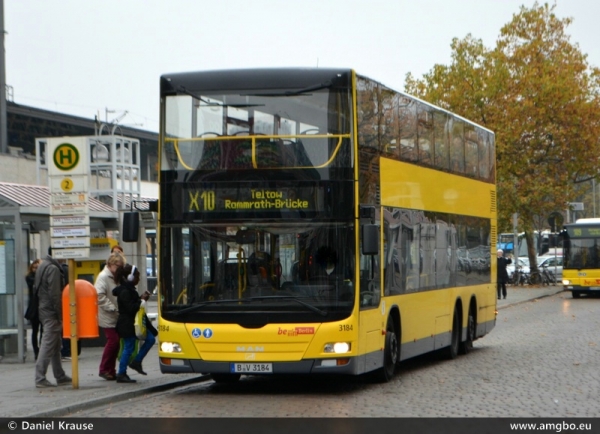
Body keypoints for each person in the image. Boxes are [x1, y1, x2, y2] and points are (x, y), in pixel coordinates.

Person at [112, 264, 156, 383]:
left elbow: (133, 304)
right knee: (128, 347)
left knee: (151, 339)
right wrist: (142, 300)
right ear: (130, 277)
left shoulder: (129, 290)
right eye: (137, 276)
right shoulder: (125, 291)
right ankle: (121, 373)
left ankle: (136, 362)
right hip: (127, 325)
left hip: (133, 324)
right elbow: (131, 308)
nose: (139, 279)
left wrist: (141, 298)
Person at [34, 248, 71, 388]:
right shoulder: (53, 269)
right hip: (51, 311)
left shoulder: (43, 265)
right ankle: (40, 377)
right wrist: (61, 314)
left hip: (43, 308)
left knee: (55, 344)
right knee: (48, 343)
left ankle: (59, 374)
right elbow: (55, 294)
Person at [95, 252, 126, 381]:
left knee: (116, 343)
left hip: (116, 315)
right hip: (108, 315)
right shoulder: (103, 277)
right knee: (113, 341)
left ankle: (111, 370)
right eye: (118, 266)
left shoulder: (116, 276)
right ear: (110, 264)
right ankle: (104, 369)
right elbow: (99, 295)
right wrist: (111, 307)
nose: (120, 269)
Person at [25, 259, 43, 360]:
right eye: (34, 268)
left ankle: (42, 350)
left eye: (38, 268)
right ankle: (36, 351)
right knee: (35, 330)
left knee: (43, 330)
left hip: (42, 307)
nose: (36, 270)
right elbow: (34, 283)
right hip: (34, 308)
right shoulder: (29, 277)